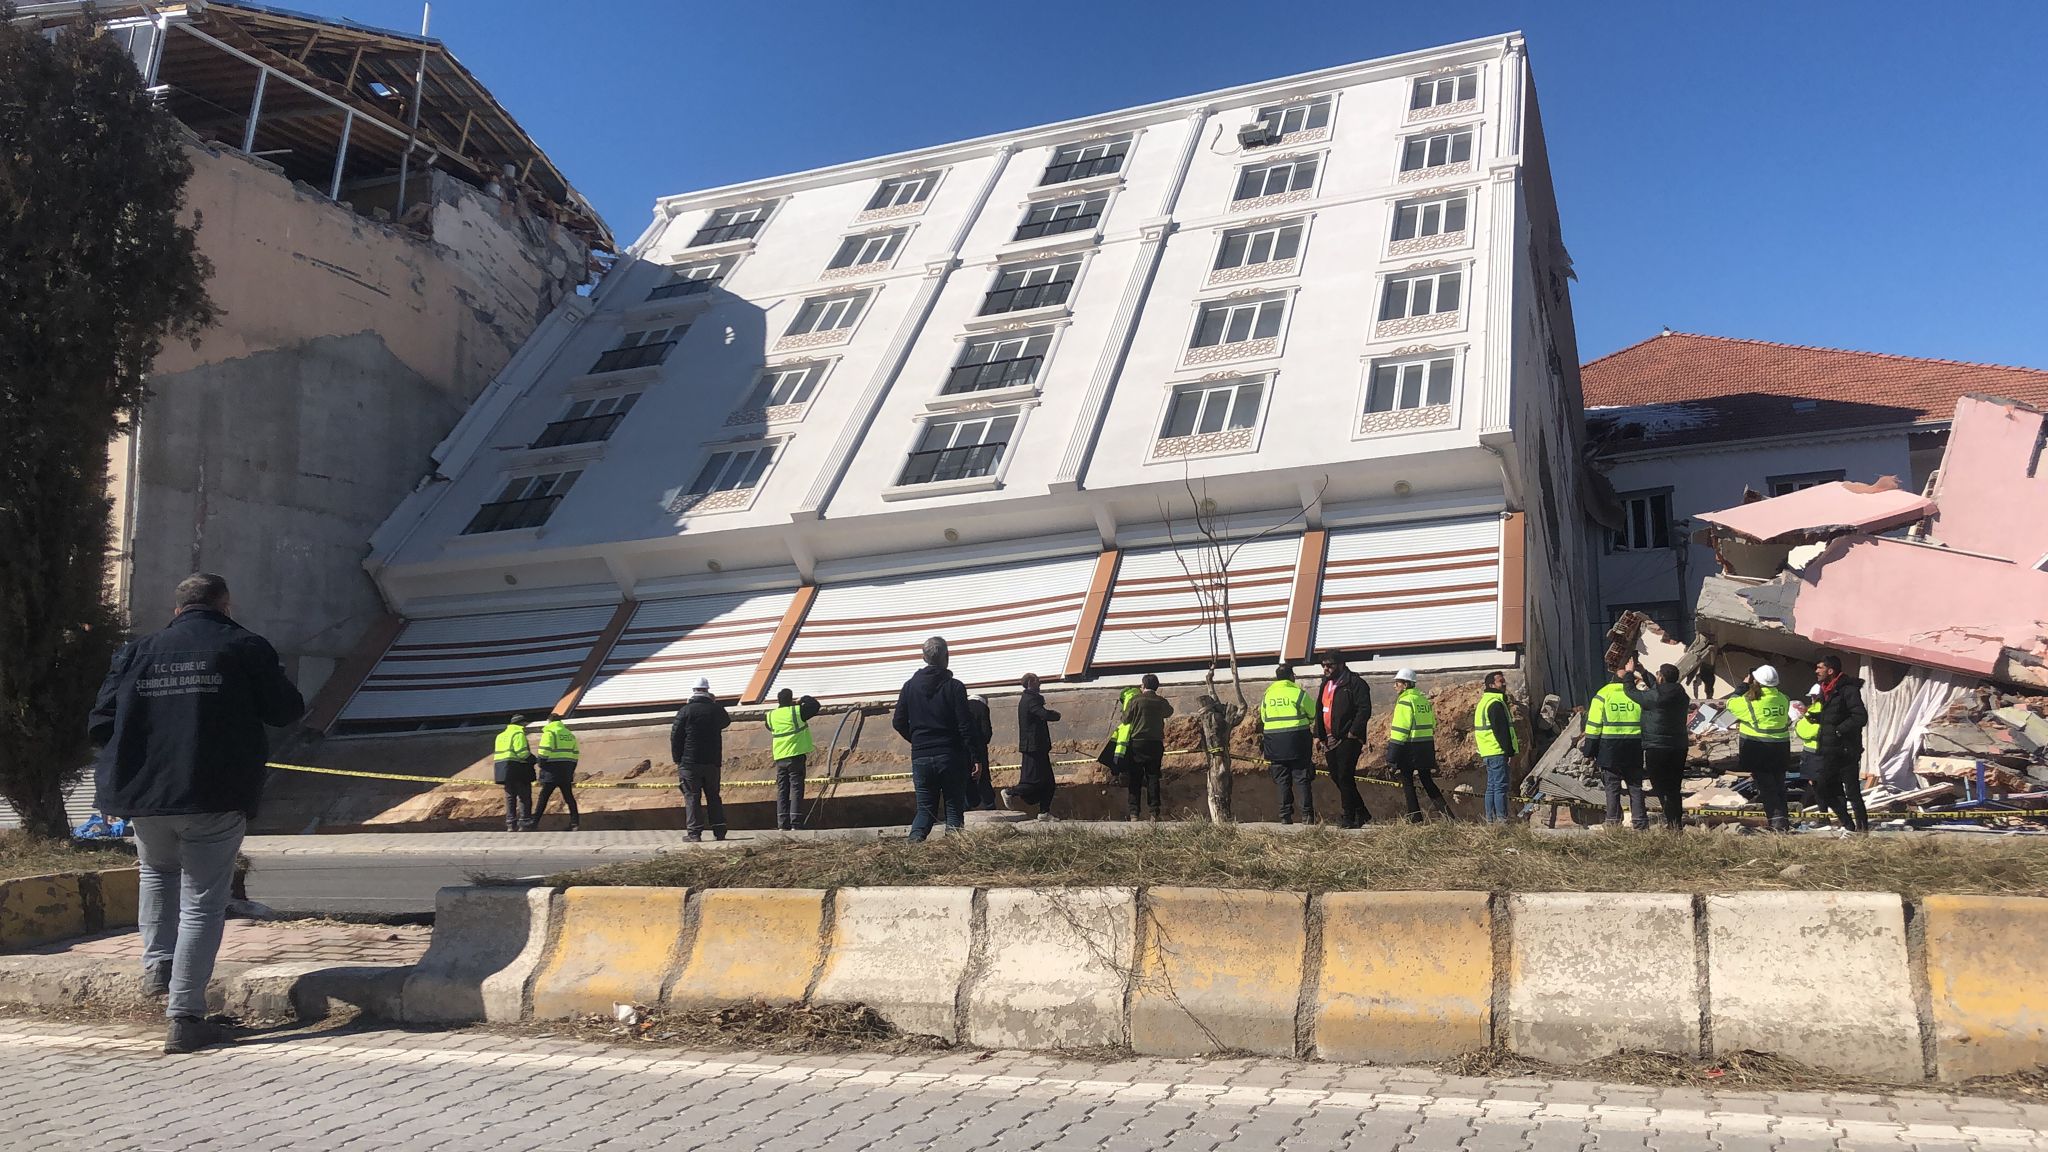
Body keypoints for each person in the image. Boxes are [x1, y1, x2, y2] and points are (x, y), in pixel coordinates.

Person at [89, 573, 305, 1055]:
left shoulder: (136, 651)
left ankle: (158, 968)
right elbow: (286, 710)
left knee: (156, 873)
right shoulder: (244, 645)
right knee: (203, 900)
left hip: (145, 796)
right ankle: (185, 1015)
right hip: (213, 793)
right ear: (225, 607)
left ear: (176, 610)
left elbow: (100, 724)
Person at [893, 636, 976, 841]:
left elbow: (898, 721)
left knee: (925, 810)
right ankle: (955, 853)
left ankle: (912, 845)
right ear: (947, 657)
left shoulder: (909, 687)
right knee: (954, 808)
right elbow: (965, 725)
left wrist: (917, 739)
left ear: (923, 657)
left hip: (921, 756)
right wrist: (974, 756)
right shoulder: (955, 687)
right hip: (950, 755)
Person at [1724, 665, 1793, 831]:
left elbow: (1730, 703)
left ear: (1756, 681)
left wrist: (1743, 685)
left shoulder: (1750, 702)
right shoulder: (1783, 698)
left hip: (1759, 749)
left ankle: (1778, 824)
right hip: (1781, 748)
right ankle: (1783, 821)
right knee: (1779, 787)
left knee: (1768, 788)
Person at [1626, 661, 1691, 830]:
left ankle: (1672, 823)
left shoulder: (1654, 697)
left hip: (1657, 746)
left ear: (1661, 677)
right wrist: (1644, 671)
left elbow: (1631, 692)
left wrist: (1628, 674)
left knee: (1660, 786)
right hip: (1678, 746)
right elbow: (1659, 688)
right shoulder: (1681, 695)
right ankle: (1676, 823)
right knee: (1674, 786)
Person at [1312, 651, 1374, 828]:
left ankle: (1349, 816)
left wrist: (1354, 732)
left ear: (1340, 664)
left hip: (1348, 738)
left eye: (1329, 665)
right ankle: (1362, 812)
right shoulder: (1325, 684)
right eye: (1323, 665)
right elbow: (1320, 710)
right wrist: (1318, 734)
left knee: (1345, 775)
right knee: (1336, 776)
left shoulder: (1355, 683)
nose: (1326, 668)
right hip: (1329, 738)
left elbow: (1364, 709)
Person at [1812, 653, 1871, 832]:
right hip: (1829, 750)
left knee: (1852, 792)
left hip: (1846, 750)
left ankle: (1862, 830)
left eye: (1820, 667)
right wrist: (1819, 718)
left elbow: (1860, 717)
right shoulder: (1826, 690)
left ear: (1830, 670)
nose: (1816, 671)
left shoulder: (1847, 690)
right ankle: (1848, 824)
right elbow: (1836, 715)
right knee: (1823, 787)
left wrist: (1839, 730)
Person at [1583, 669, 1648, 830]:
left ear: (1612, 680)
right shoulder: (1636, 695)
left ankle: (1612, 822)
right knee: (1635, 786)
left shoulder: (1603, 694)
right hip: (1634, 746)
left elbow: (1593, 725)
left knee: (1612, 787)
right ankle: (1640, 822)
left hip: (1609, 747)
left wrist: (1589, 750)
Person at [1385, 669, 1453, 821]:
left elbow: (1400, 730)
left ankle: (1414, 817)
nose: (1395, 686)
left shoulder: (1404, 701)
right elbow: (1433, 723)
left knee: (1407, 782)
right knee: (1427, 781)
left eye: (1398, 683)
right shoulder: (1422, 700)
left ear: (1406, 684)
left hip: (1409, 748)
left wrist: (1392, 756)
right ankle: (1448, 816)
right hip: (1426, 746)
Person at [670, 676, 730, 842]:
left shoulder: (685, 711)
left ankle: (694, 833)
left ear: (693, 691)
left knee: (692, 797)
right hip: (711, 761)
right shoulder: (715, 710)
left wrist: (678, 759)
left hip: (689, 762)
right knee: (713, 796)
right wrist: (714, 703)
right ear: (708, 690)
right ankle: (719, 831)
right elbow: (726, 721)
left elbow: (675, 737)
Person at [1259, 665, 1316, 824]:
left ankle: (1285, 816)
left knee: (1282, 780)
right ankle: (1307, 816)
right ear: (1292, 676)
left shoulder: (1267, 695)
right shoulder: (1297, 693)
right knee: (1302, 778)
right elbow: (1312, 713)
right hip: (1297, 741)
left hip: (1274, 743)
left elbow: (1263, 717)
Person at [764, 688, 821, 831]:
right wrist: (802, 699)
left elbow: (769, 727)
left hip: (780, 757)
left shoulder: (771, 716)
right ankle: (796, 822)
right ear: (791, 699)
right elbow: (815, 705)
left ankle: (782, 824)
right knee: (796, 788)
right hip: (795, 755)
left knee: (782, 789)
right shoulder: (796, 712)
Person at [1005, 673, 1061, 819]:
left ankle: (1044, 813)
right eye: (1037, 681)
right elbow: (1042, 714)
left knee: (1048, 782)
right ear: (1030, 682)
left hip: (1037, 747)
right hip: (1034, 747)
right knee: (1033, 781)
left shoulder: (1028, 699)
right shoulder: (1031, 700)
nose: (1040, 683)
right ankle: (1010, 792)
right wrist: (1054, 714)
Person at [1119, 674, 1174, 821]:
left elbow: (1125, 719)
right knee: (1153, 777)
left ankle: (1134, 813)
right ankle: (1154, 812)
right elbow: (1169, 712)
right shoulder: (1161, 701)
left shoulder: (1135, 700)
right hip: (1155, 743)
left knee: (1135, 778)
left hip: (1137, 743)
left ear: (1143, 686)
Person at [1193, 683, 1246, 823]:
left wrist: (1210, 684)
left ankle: (1221, 818)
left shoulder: (1217, 719)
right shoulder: (1213, 719)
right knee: (1217, 789)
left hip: (1218, 758)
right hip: (1215, 757)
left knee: (1220, 789)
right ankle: (1220, 818)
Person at [1473, 671, 1518, 824]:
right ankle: (1501, 820)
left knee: (1492, 787)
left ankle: (1490, 820)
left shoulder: (1484, 702)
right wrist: (1509, 751)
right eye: (1501, 681)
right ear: (1492, 685)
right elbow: (1501, 731)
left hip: (1488, 751)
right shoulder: (1495, 703)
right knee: (1500, 787)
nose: (1504, 684)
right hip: (1497, 751)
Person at [532, 714, 582, 831]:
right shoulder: (569, 735)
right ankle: (575, 823)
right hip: (566, 770)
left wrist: (541, 765)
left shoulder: (550, 733)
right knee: (569, 797)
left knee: (543, 797)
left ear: (549, 721)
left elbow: (544, 751)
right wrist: (570, 769)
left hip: (551, 770)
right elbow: (575, 754)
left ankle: (534, 823)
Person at [493, 715, 536, 833]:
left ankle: (511, 824)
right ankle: (524, 822)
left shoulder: (500, 736)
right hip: (517, 768)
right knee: (524, 796)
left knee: (510, 797)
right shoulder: (518, 734)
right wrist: (534, 760)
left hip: (502, 769)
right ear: (521, 724)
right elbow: (522, 753)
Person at [966, 694, 999, 810]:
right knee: (983, 777)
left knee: (966, 778)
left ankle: (967, 807)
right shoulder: (982, 708)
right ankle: (989, 805)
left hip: (963, 749)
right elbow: (986, 732)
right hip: (979, 748)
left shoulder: (961, 706)